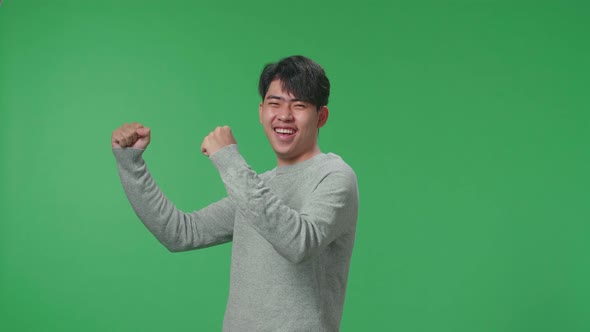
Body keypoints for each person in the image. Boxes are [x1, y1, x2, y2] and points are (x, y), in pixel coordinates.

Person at [111, 55, 359, 331]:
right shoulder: (257, 187)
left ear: (321, 116)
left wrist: (229, 160)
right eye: (275, 103)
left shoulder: (335, 176)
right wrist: (130, 163)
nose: (285, 115)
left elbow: (299, 243)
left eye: (299, 105)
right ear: (261, 111)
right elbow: (180, 232)